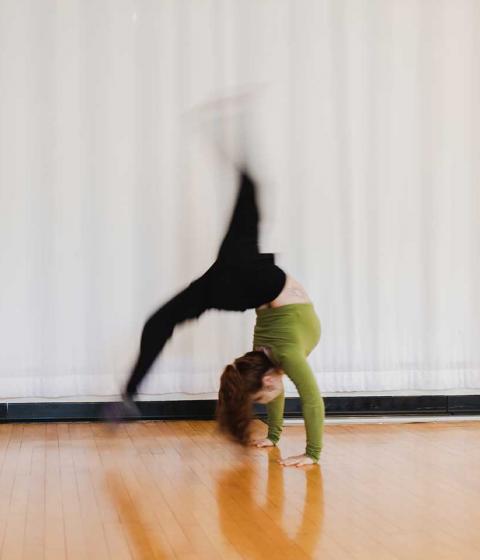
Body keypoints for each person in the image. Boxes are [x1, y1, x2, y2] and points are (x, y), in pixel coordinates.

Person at [108, 167, 324, 466]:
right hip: (245, 282)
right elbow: (311, 399)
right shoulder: (282, 356)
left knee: (161, 322)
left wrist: (275, 435)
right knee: (162, 321)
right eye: (262, 399)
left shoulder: (270, 359)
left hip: (247, 281)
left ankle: (130, 394)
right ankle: (129, 395)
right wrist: (312, 454)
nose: (267, 399)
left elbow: (275, 392)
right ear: (269, 380)